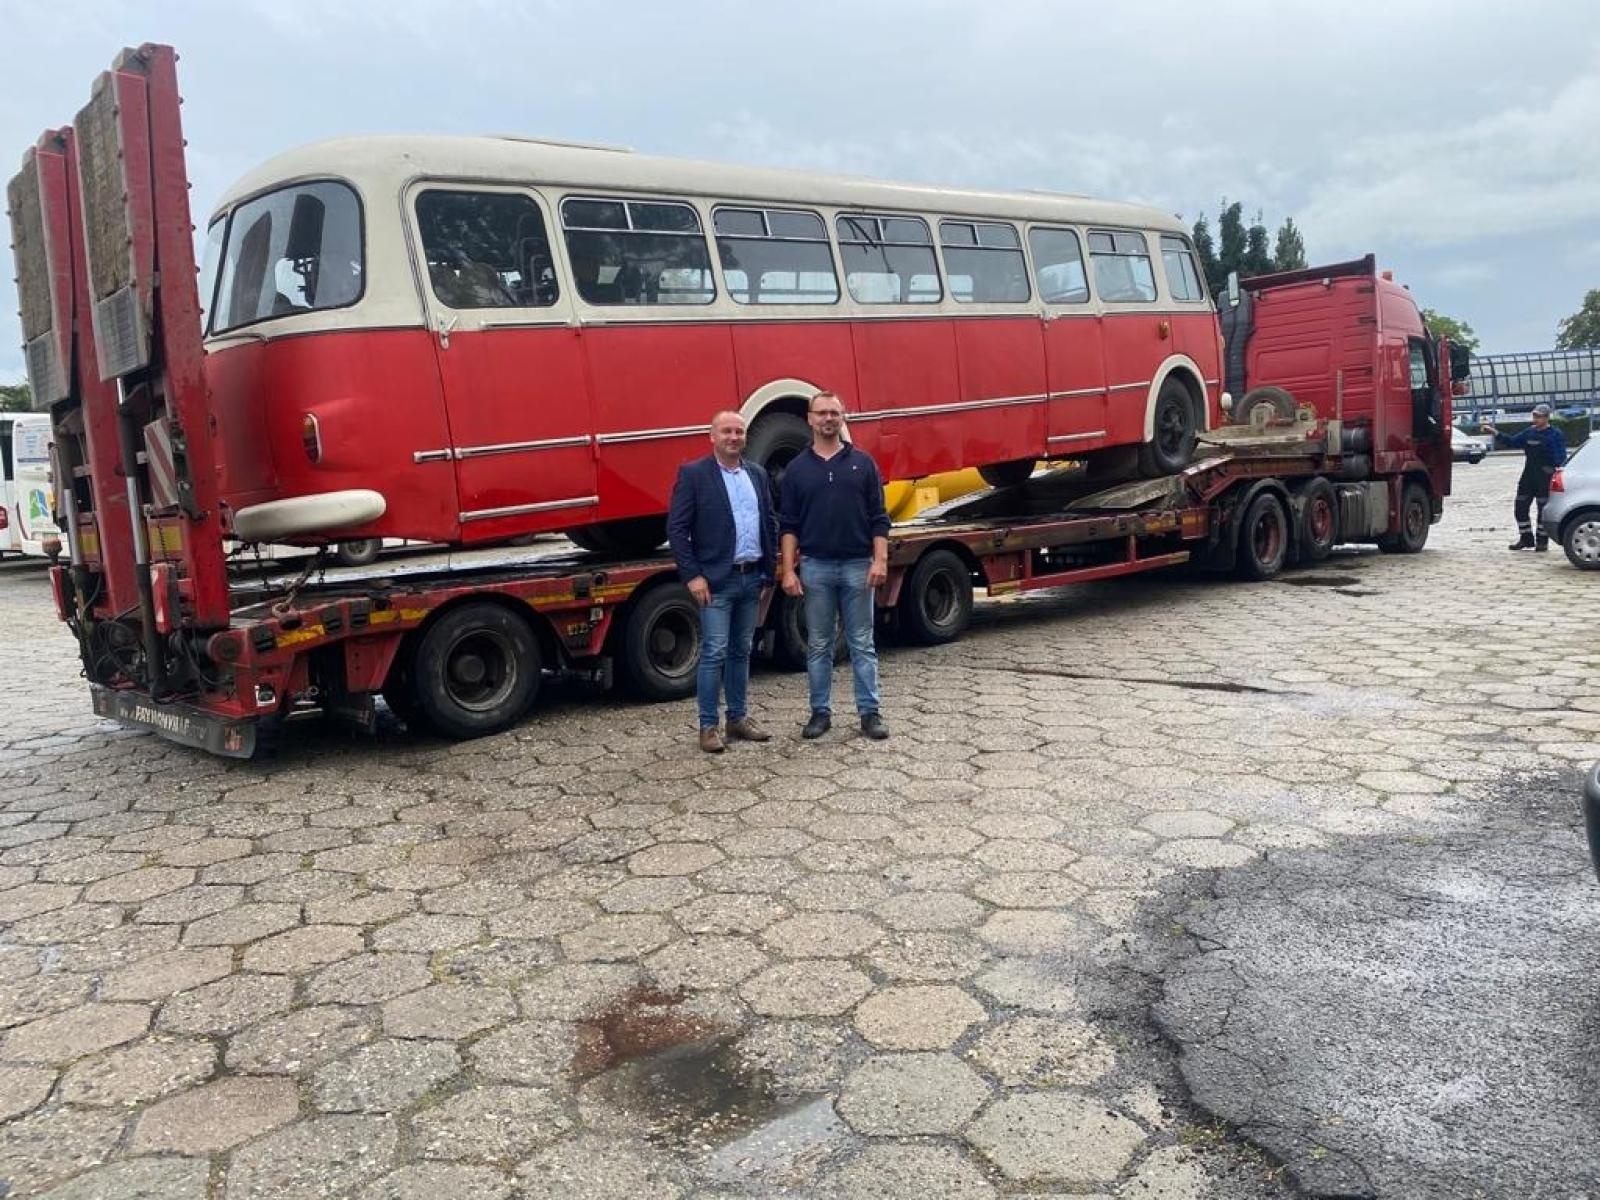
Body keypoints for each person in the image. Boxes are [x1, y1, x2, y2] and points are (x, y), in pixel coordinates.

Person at [779, 391, 892, 740]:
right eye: (822, 413)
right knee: (819, 644)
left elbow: (879, 518)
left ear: (843, 418)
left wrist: (880, 560)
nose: (828, 418)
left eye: (835, 412)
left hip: (859, 564)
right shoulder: (796, 470)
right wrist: (788, 569)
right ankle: (819, 713)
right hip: (816, 567)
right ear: (810, 419)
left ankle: (870, 714)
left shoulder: (863, 463)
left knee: (862, 643)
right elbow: (789, 525)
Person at [667, 411, 778, 753]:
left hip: (751, 577)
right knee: (714, 652)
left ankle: (738, 718)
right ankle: (708, 727)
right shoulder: (694, 475)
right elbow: (677, 529)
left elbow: (769, 521)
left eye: (739, 431)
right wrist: (693, 575)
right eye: (727, 431)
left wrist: (767, 571)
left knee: (742, 651)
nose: (734, 437)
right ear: (711, 436)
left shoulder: (757, 474)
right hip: (715, 582)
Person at [1482, 404, 1568, 551]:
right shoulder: (1529, 432)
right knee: (1520, 508)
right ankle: (1526, 539)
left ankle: (1542, 541)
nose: (1536, 419)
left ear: (1547, 418)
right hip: (1528, 476)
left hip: (1545, 477)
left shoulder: (1555, 434)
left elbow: (1561, 458)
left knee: (1543, 510)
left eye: (1539, 416)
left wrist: (1556, 472)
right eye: (1534, 416)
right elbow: (1511, 441)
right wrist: (1494, 432)